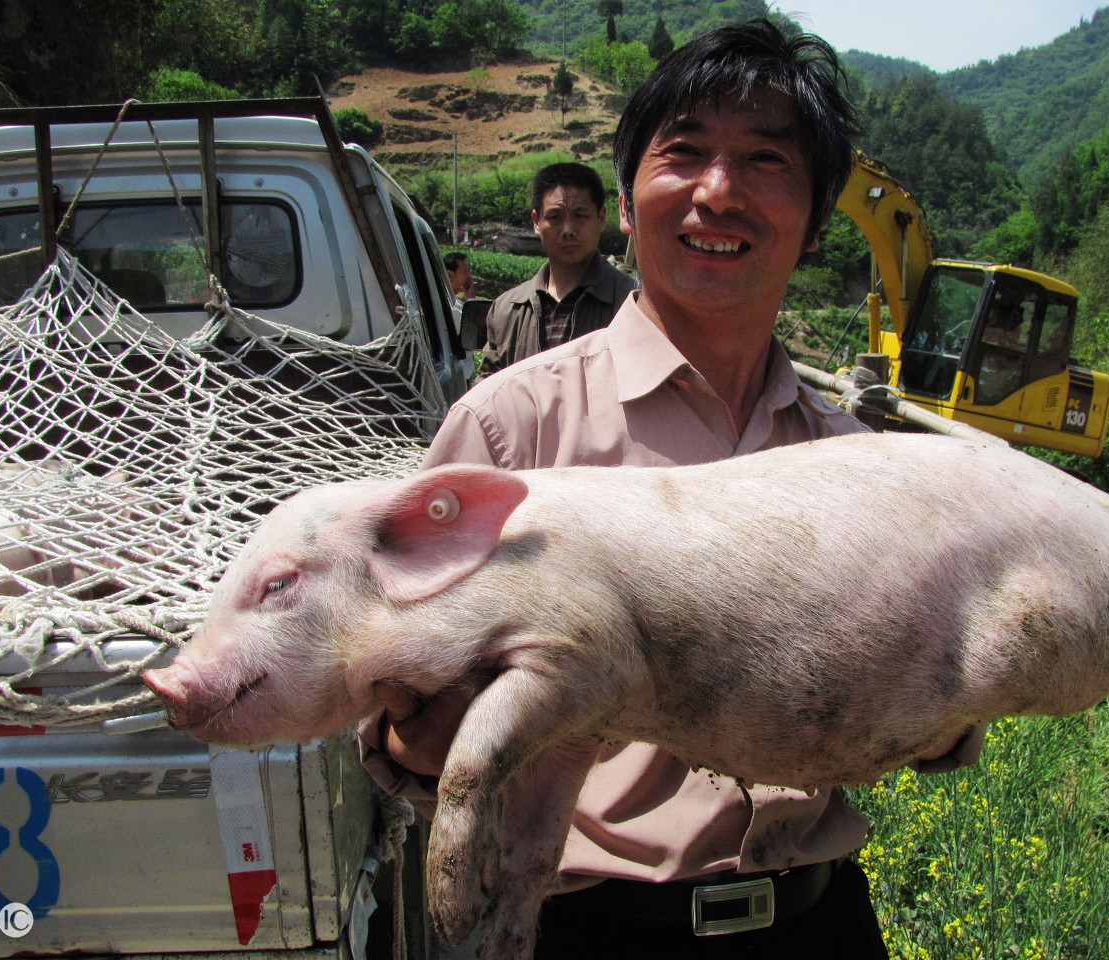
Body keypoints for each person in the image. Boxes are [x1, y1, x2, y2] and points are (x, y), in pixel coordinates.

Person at [360, 19, 980, 958]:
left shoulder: (859, 465)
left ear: (815, 224)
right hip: (587, 929)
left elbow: (937, 717)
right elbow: (399, 728)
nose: (717, 192)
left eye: (767, 161)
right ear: (625, 195)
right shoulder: (508, 433)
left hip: (817, 923)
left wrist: (933, 707)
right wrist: (441, 730)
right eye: (683, 152)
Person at [477, 161, 635, 376]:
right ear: (536, 222)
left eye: (580, 215)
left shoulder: (633, 304)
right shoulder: (506, 310)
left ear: (602, 218)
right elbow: (486, 397)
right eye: (555, 217)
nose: (568, 230)